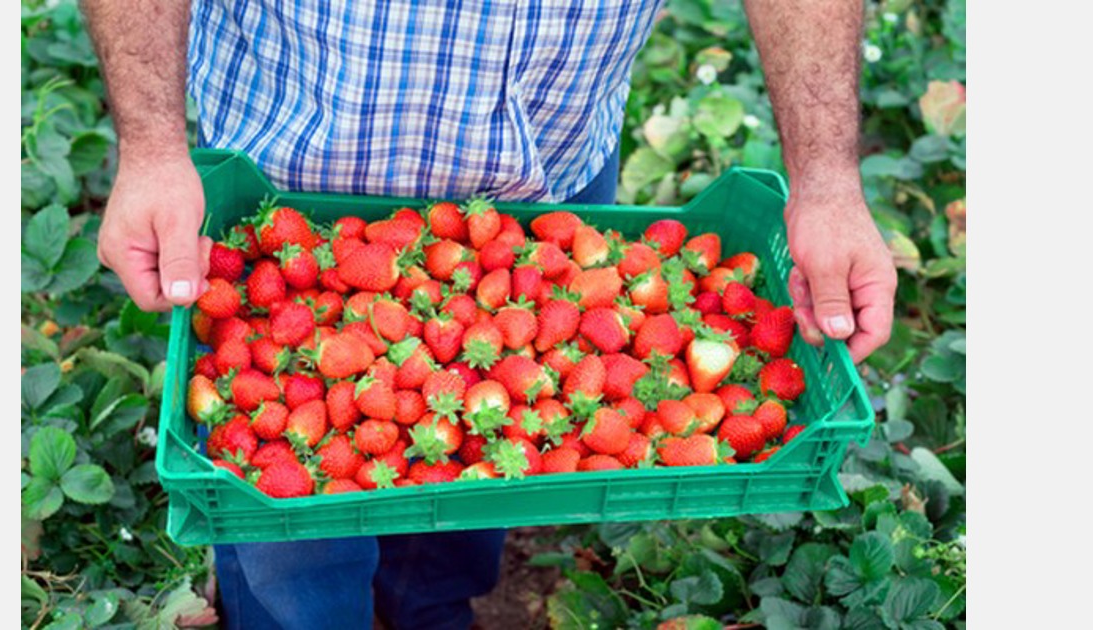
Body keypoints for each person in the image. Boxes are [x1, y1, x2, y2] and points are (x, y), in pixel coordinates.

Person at [84, 0, 896, 627]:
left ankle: (429, 610)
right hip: (285, 178)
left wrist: (825, 177)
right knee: (291, 557)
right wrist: (151, 144)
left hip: (549, 176)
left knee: (481, 485)